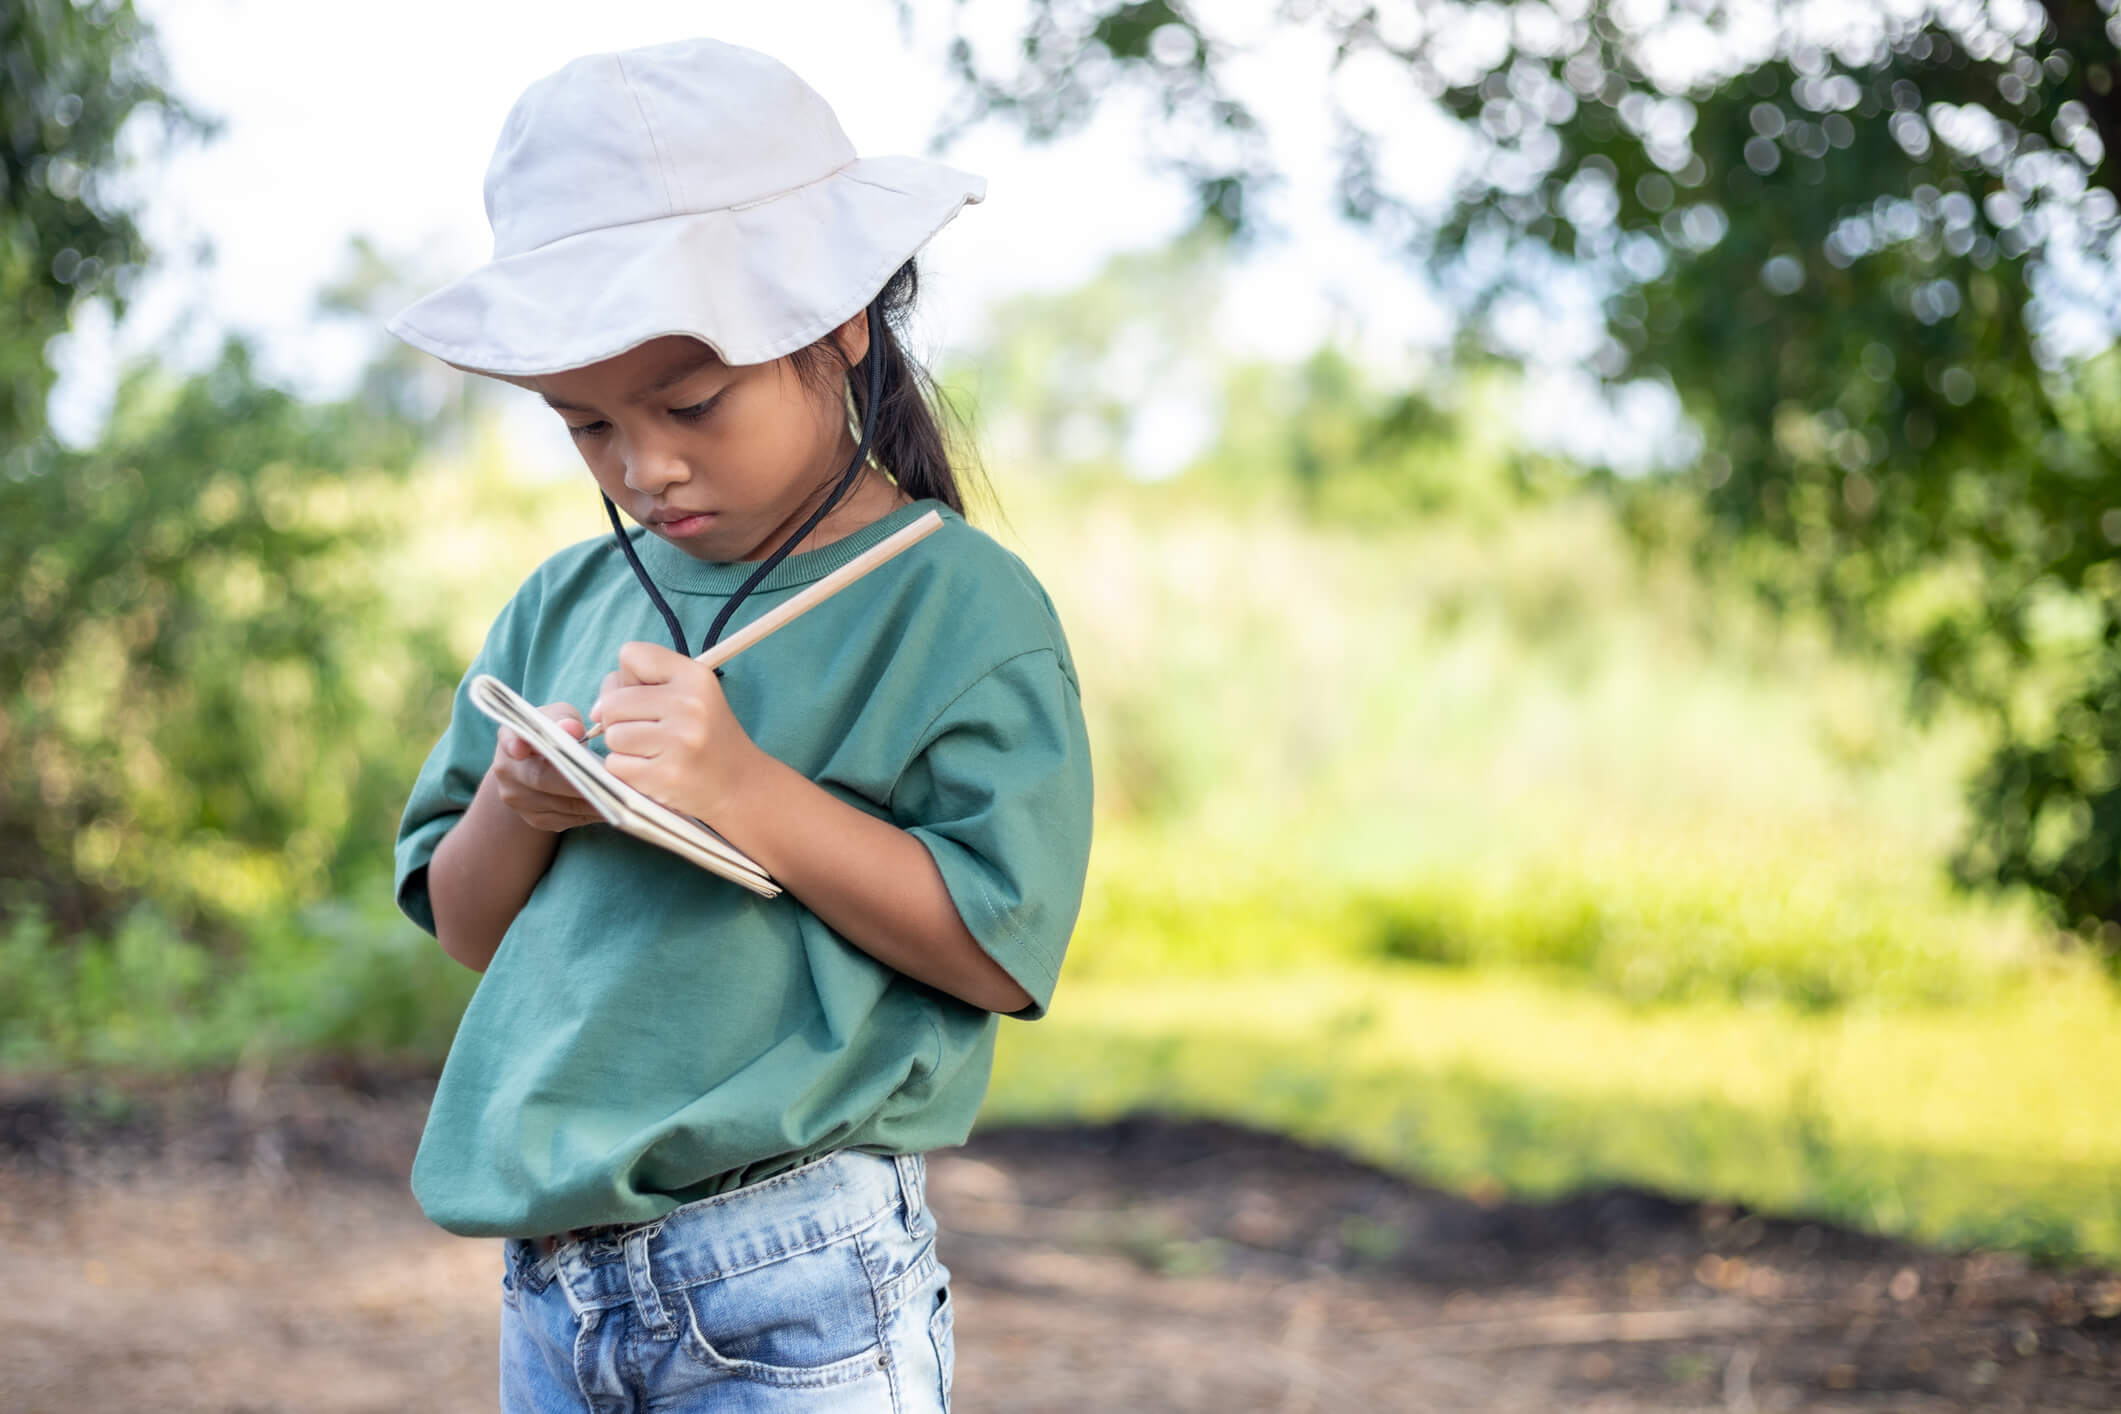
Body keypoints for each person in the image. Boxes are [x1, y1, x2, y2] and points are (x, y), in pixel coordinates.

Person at [382, 36, 1094, 1413]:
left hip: (794, 1271)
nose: (645, 466)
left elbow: (998, 951)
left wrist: (741, 786)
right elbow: (471, 931)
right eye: (585, 426)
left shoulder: (954, 606)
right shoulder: (566, 601)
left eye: (690, 404)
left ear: (837, 321)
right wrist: (517, 806)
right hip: (556, 1284)